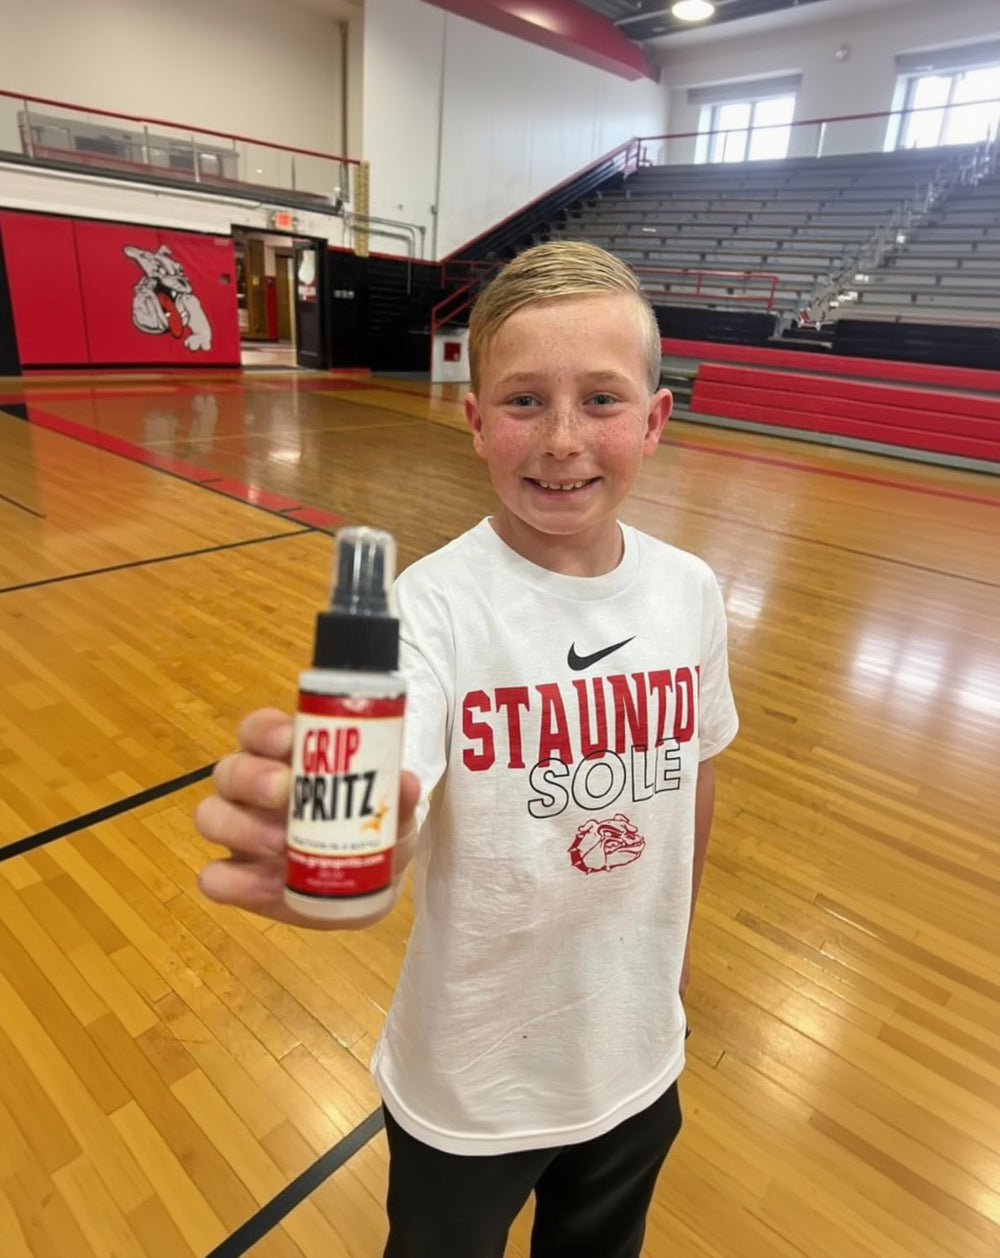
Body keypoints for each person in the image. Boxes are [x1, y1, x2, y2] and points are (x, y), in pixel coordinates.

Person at [195, 240, 738, 1258]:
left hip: (636, 1056)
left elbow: (693, 784)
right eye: (525, 400)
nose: (562, 440)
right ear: (474, 418)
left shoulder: (692, 592)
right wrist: (362, 842)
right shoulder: (430, 609)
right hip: (472, 1084)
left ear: (657, 420)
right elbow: (390, 767)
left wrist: (672, 965)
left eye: (603, 400)